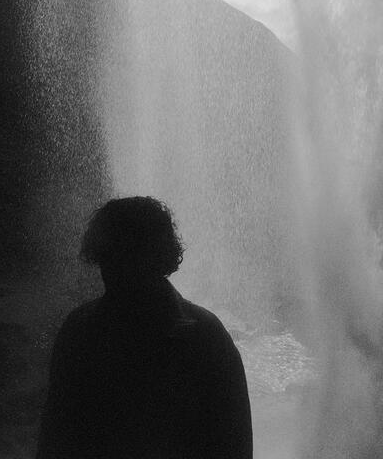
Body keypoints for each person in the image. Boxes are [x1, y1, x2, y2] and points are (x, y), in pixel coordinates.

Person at [36, 196, 252, 459]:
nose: (117, 269)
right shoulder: (206, 334)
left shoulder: (80, 329)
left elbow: (55, 434)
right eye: (111, 256)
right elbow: (235, 441)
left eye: (127, 256)